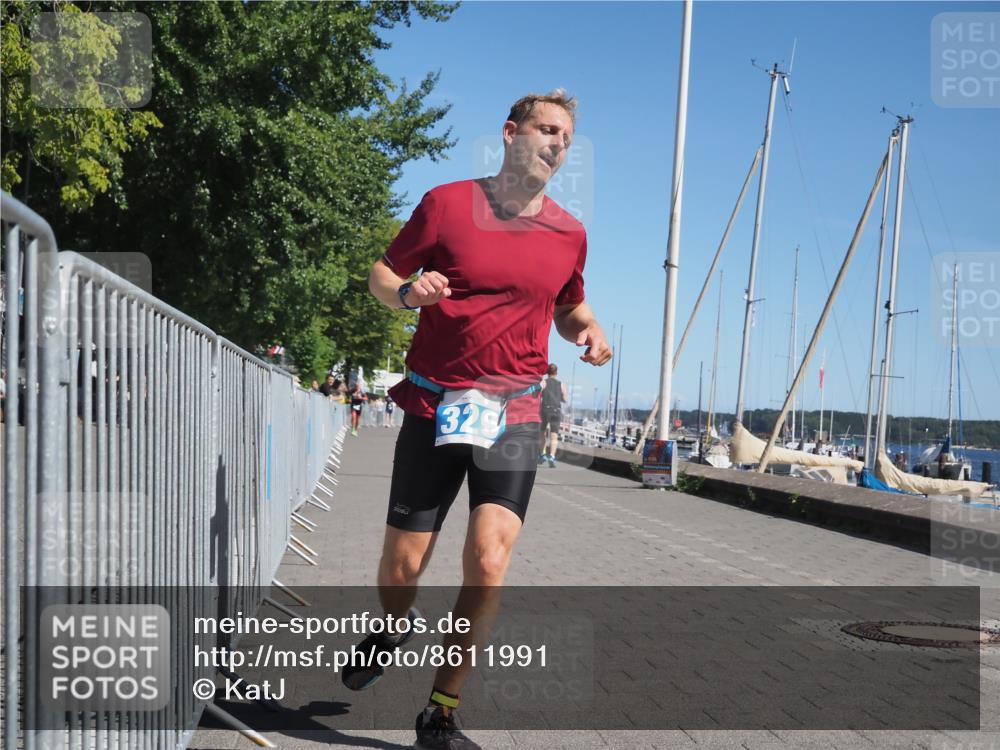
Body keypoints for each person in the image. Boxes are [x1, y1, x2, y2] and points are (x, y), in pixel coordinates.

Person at [354, 90, 612, 750]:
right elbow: (382, 274)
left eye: (566, 136)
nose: (557, 143)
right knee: (401, 572)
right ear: (510, 132)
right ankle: (389, 627)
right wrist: (409, 293)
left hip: (516, 411)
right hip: (434, 403)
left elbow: (568, 308)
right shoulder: (446, 204)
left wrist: (591, 331)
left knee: (488, 560)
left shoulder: (569, 233)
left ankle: (441, 710)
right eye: (546, 129)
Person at [538, 363, 568, 467]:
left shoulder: (543, 382)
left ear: (547, 372)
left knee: (542, 433)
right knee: (554, 435)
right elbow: (565, 399)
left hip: (545, 409)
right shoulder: (561, 384)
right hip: (556, 410)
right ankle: (552, 456)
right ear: (556, 372)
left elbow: (538, 395)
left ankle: (542, 455)